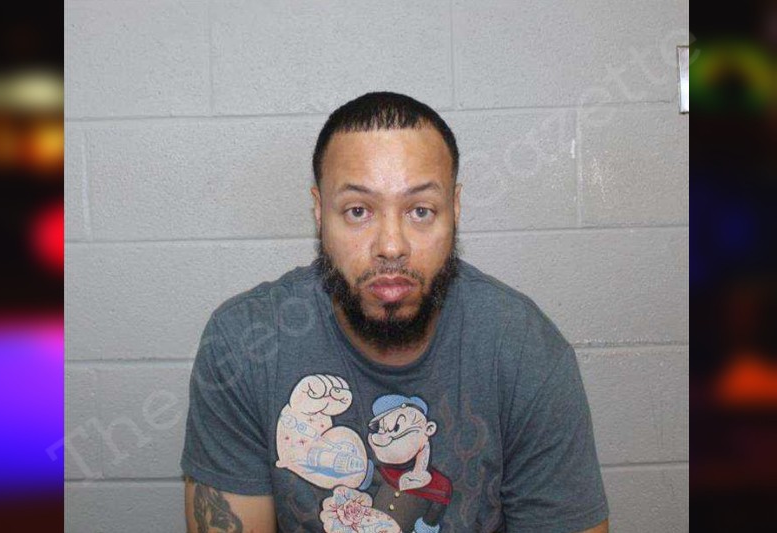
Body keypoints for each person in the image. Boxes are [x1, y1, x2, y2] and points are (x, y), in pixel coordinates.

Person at [181, 92, 609, 533]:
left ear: (455, 211)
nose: (391, 246)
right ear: (319, 212)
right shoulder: (245, 346)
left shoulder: (524, 351)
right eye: (358, 211)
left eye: (420, 211)